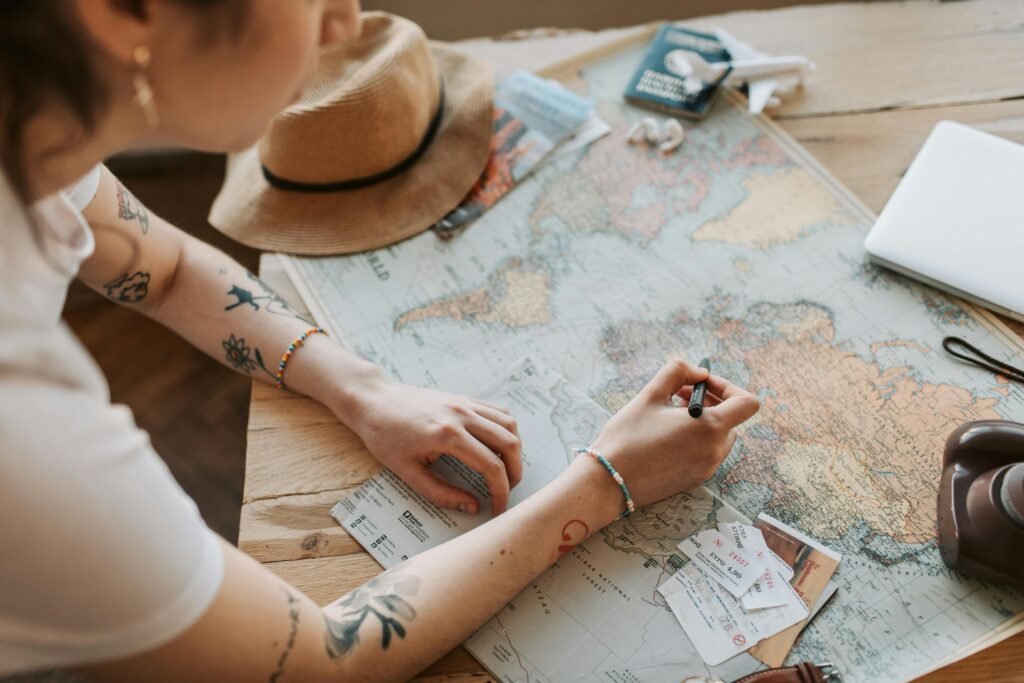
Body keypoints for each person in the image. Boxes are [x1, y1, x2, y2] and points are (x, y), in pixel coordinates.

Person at [0, 1, 760, 681]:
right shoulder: (26, 435)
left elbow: (163, 270)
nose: (343, 19)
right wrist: (608, 480)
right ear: (120, 12)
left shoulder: (33, 122)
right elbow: (319, 660)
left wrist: (362, 389)